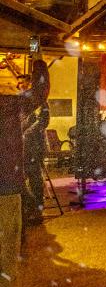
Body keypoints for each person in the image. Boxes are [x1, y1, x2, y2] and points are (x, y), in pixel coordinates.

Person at [1, 55, 48, 287]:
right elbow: (39, 93)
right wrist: (38, 59)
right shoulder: (6, 104)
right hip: (4, 186)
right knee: (5, 255)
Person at [20, 82, 48, 227]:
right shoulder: (21, 101)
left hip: (34, 146)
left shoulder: (40, 102)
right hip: (22, 146)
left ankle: (37, 207)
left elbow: (43, 121)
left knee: (34, 177)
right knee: (21, 177)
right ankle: (29, 206)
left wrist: (26, 132)